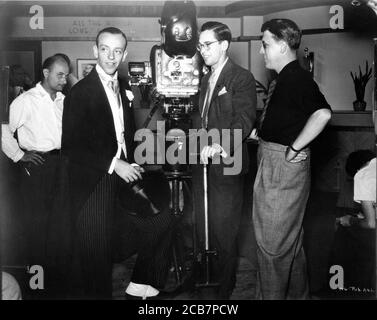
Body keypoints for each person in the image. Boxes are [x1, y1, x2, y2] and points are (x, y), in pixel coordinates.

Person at [61, 27, 162, 299]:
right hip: (94, 183)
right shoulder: (80, 92)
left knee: (161, 220)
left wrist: (129, 161)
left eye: (117, 51)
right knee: (96, 262)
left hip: (122, 175)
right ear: (95, 51)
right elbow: (71, 147)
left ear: (125, 54)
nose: (111, 56)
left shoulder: (125, 87)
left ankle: (140, 283)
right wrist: (114, 164)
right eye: (104, 49)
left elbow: (121, 134)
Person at [252, 19, 332, 300]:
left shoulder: (297, 78)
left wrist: (295, 148)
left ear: (283, 46)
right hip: (272, 160)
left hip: (281, 167)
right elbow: (286, 119)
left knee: (272, 249)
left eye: (265, 45)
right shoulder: (284, 79)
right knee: (291, 247)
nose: (262, 52)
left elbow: (322, 114)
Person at [191, 21, 256, 300]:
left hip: (228, 165)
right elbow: (201, 119)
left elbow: (244, 120)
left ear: (224, 45)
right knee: (202, 226)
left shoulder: (241, 78)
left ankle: (223, 292)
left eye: (208, 44)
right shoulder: (205, 79)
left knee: (225, 231)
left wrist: (218, 145)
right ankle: (206, 280)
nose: (202, 50)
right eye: (200, 45)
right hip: (202, 165)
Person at [1, 55, 70, 297]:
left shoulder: (63, 100)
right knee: (36, 228)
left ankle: (55, 283)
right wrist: (19, 155)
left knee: (58, 227)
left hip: (61, 165)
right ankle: (36, 287)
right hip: (38, 165)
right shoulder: (26, 100)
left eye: (66, 74)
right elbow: (3, 128)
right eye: (60, 74)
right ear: (45, 72)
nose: (64, 79)